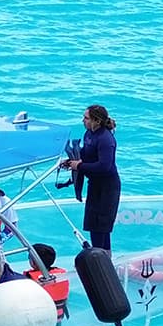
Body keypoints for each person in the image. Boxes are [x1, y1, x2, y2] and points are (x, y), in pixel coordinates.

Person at [61, 104, 121, 252]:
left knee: (101, 227)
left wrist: (80, 166)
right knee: (94, 226)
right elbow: (86, 155)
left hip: (107, 188)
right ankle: (101, 256)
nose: (83, 120)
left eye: (86, 118)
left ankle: (101, 258)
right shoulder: (89, 134)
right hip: (94, 185)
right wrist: (71, 162)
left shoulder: (106, 139)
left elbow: (104, 166)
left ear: (97, 121)